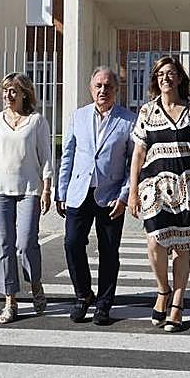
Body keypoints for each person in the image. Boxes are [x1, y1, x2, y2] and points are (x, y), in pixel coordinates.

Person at [128, 55, 190, 333]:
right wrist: (132, 191)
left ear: (180, 78)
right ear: (156, 80)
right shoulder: (147, 112)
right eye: (160, 74)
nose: (165, 78)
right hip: (154, 190)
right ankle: (162, 290)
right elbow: (138, 153)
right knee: (155, 243)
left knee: (182, 246)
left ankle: (177, 304)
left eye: (170, 73)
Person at [57, 66, 136, 325]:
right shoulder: (78, 117)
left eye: (108, 86)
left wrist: (124, 196)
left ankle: (104, 303)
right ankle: (83, 295)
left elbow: (133, 164)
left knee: (109, 251)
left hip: (111, 195)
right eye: (98, 86)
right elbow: (67, 155)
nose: (103, 90)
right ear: (91, 88)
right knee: (72, 243)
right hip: (79, 192)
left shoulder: (128, 120)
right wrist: (62, 191)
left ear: (117, 89)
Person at [0, 72, 53, 324]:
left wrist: (47, 188)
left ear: (24, 94)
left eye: (13, 90)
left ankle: (36, 283)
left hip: (30, 189)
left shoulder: (37, 121)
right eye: (5, 90)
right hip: (0, 189)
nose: (7, 95)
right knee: (4, 245)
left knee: (26, 242)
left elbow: (46, 157)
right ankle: (10, 299)